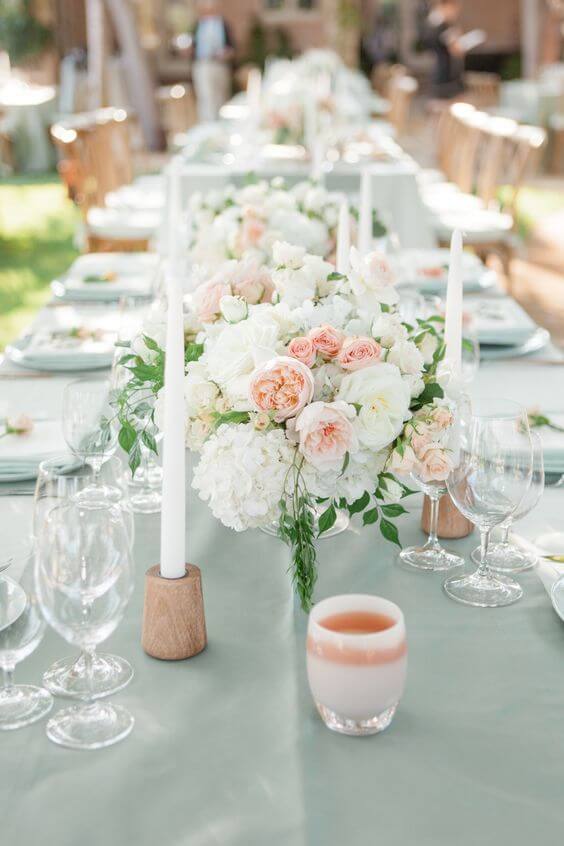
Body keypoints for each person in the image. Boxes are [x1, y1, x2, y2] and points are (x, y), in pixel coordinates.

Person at [190, 0, 235, 123]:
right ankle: (208, 124)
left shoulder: (223, 24)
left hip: (219, 65)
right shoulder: (197, 25)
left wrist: (226, 54)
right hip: (203, 65)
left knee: (221, 95)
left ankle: (223, 123)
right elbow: (193, 46)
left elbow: (231, 47)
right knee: (206, 97)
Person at [426, 0, 466, 99]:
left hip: (441, 73)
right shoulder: (442, 26)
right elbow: (457, 51)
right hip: (446, 76)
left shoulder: (433, 24)